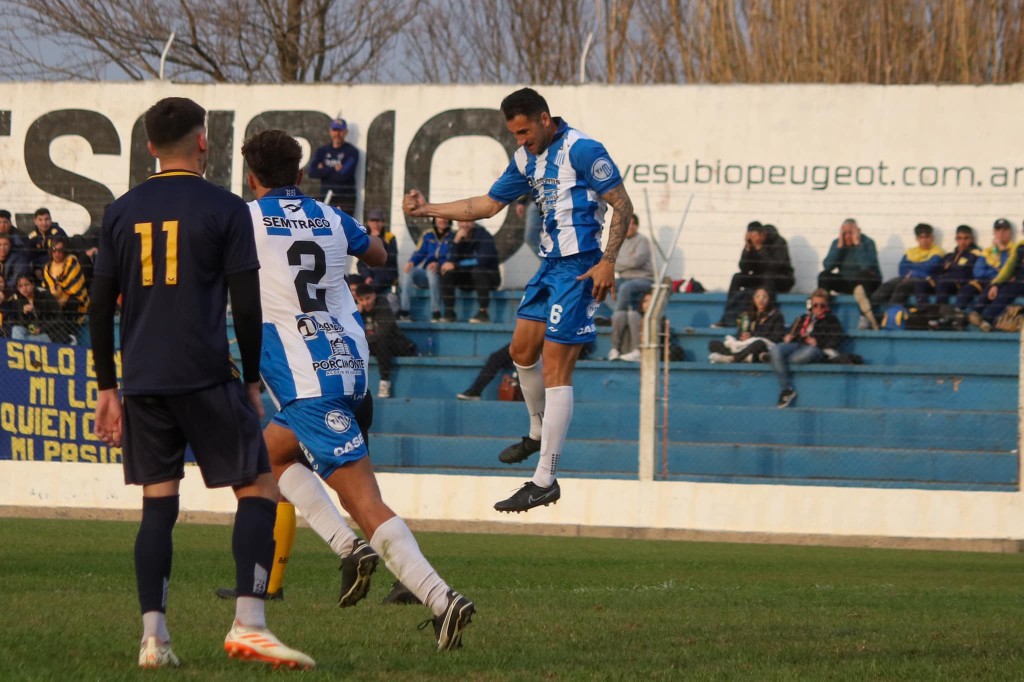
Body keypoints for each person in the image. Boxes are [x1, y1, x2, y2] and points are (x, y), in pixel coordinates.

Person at [88, 97, 315, 670]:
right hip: (205, 373)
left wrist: (107, 388)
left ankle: (154, 639)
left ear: (149, 147)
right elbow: (245, 308)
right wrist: (253, 380)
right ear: (204, 142)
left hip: (142, 379)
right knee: (259, 488)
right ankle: (250, 623)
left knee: (157, 502)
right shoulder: (226, 208)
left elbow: (97, 307)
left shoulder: (119, 211)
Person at [242, 129, 474, 651]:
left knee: (363, 500)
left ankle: (441, 599)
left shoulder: (244, 219)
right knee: (267, 457)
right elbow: (375, 254)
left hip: (309, 383)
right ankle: (350, 549)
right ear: (301, 174)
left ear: (251, 178)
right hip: (350, 366)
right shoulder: (328, 214)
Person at [403, 87, 634, 512]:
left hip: (580, 267)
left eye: (525, 131)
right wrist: (426, 209)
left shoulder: (583, 149)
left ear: (545, 118)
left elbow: (622, 204)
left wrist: (608, 261)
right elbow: (486, 204)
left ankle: (545, 479)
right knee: (520, 350)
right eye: (514, 134)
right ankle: (535, 430)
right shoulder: (526, 158)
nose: (521, 141)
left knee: (555, 367)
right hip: (548, 266)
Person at [768, 289, 844, 408]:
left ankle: (776, 361)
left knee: (807, 353)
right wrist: (788, 337)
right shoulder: (803, 318)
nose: (818, 308)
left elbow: (836, 339)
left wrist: (817, 341)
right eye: (815, 305)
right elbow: (791, 332)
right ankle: (786, 390)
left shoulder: (831, 320)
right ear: (810, 305)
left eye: (822, 306)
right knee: (776, 349)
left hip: (815, 349)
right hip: (797, 345)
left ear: (827, 306)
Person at [715, 221, 794, 327]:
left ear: (763, 234)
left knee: (768, 276)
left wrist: (760, 248)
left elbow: (774, 267)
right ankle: (728, 316)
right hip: (760, 278)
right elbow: (744, 268)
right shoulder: (751, 243)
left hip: (782, 278)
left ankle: (768, 317)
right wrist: (747, 249)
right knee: (737, 277)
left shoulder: (779, 242)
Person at [355, 283, 417, 398]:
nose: (365, 303)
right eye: (361, 300)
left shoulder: (382, 305)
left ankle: (385, 381)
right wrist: (355, 314)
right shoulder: (356, 311)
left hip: (398, 345)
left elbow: (384, 332)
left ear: (374, 296)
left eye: (368, 298)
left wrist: (362, 341)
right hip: (373, 345)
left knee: (381, 341)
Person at [869, 223, 945, 313]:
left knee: (902, 286)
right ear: (917, 239)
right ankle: (869, 309)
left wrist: (912, 269)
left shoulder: (937, 251)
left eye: (927, 237)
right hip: (907, 277)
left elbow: (929, 268)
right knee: (888, 285)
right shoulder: (911, 251)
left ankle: (891, 316)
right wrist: (917, 268)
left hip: (924, 280)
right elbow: (902, 268)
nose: (924, 240)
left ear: (932, 238)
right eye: (921, 237)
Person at [441, 220, 501, 323]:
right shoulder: (455, 236)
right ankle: (449, 312)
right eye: (461, 222)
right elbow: (451, 261)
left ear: (473, 222)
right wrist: (456, 242)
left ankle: (483, 313)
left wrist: (457, 265)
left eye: (468, 222)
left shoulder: (483, 235)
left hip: (489, 277)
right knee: (448, 272)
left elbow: (482, 260)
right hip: (468, 278)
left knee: (477, 271)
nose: (464, 224)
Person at [707, 287, 785, 363]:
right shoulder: (748, 315)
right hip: (744, 347)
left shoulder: (777, 316)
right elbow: (739, 334)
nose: (761, 300)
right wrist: (742, 336)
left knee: (759, 343)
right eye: (758, 297)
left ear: (769, 299)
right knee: (713, 343)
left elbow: (776, 338)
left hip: (763, 346)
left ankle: (734, 358)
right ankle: (740, 357)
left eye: (764, 297)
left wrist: (752, 336)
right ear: (754, 299)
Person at [397, 216, 453, 322]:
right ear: (434, 221)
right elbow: (420, 252)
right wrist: (411, 262)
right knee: (409, 272)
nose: (443, 220)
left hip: (444, 275)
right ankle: (405, 311)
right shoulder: (428, 235)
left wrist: (439, 264)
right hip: (427, 273)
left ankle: (436, 312)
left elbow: (453, 256)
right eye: (439, 218)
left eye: (445, 218)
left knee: (431, 271)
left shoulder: (453, 235)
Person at [956, 218, 1014, 316]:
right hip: (985, 280)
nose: (1001, 233)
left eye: (1004, 230)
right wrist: (995, 271)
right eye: (998, 230)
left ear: (1010, 232)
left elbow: (1008, 270)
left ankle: (976, 314)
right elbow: (977, 271)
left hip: (1001, 282)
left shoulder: (1015, 249)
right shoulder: (987, 251)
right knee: (967, 289)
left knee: (991, 287)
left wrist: (1003, 251)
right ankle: (956, 315)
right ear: (994, 232)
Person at [970, 232, 1024, 332]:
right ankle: (978, 315)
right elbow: (1008, 267)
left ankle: (988, 320)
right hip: (1019, 282)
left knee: (1009, 289)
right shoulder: (1020, 246)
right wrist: (996, 284)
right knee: (996, 286)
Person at [42, 235, 90, 345]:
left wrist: (58, 294)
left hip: (74, 301)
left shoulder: (72, 261)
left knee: (72, 301)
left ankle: (71, 337)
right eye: (54, 250)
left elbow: (72, 286)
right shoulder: (48, 267)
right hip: (56, 302)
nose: (57, 254)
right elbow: (48, 286)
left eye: (60, 251)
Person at [306, 117, 359, 215]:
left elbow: (343, 176)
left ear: (345, 132)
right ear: (330, 131)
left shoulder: (351, 152)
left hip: (345, 199)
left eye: (340, 130)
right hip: (326, 196)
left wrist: (323, 170)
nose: (337, 134)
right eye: (335, 130)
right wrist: (333, 169)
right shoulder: (322, 151)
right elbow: (312, 172)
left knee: (344, 227)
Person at [612, 214, 654, 313]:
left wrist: (621, 262)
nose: (630, 226)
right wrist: (628, 260)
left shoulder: (642, 240)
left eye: (633, 224)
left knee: (625, 288)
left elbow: (636, 262)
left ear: (637, 226)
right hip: (624, 278)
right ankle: (616, 311)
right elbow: (611, 263)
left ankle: (616, 316)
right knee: (601, 285)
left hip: (643, 279)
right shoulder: (619, 242)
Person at [357, 208, 399, 308]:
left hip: (386, 274)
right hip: (371, 275)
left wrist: (379, 240)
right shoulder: (365, 238)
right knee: (353, 281)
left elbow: (392, 257)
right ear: (368, 222)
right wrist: (367, 276)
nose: (375, 224)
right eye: (372, 220)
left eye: (378, 221)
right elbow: (360, 263)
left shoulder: (389, 237)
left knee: (375, 283)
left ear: (383, 222)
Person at [8, 273, 64, 342]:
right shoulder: (20, 300)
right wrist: (24, 314)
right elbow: (23, 324)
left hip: (50, 333)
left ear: (33, 285)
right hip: (34, 331)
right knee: (16, 329)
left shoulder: (45, 296)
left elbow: (59, 318)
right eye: (20, 286)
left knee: (28, 340)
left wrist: (41, 329)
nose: (24, 288)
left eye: (27, 285)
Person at [933, 225, 982, 303]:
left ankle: (940, 310)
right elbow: (937, 269)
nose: (962, 242)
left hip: (963, 284)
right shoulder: (950, 256)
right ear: (956, 239)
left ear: (972, 239)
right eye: (959, 238)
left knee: (943, 282)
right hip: (949, 283)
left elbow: (964, 270)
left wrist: (949, 268)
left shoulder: (975, 254)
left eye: (966, 238)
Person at [27, 207, 69, 277]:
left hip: (58, 263)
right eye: (40, 220)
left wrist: (38, 264)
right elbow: (29, 256)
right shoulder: (32, 237)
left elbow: (57, 254)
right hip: (38, 267)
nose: (44, 223)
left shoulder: (57, 232)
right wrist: (35, 267)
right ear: (35, 221)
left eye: (47, 219)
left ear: (51, 220)